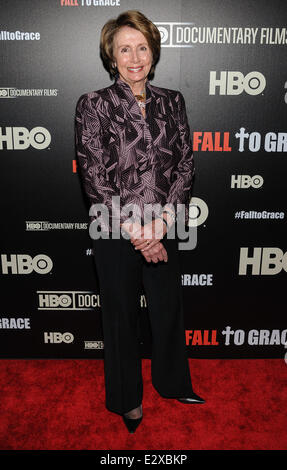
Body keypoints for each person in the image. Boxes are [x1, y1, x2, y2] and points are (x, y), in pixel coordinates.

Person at [75, 10, 204, 434]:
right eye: (124, 49)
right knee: (120, 317)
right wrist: (140, 235)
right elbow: (94, 178)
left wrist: (164, 222)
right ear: (111, 57)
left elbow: (184, 165)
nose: (135, 57)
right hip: (115, 230)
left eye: (142, 47)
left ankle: (172, 382)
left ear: (153, 52)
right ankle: (127, 400)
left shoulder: (173, 101)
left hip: (166, 224)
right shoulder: (94, 105)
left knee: (168, 310)